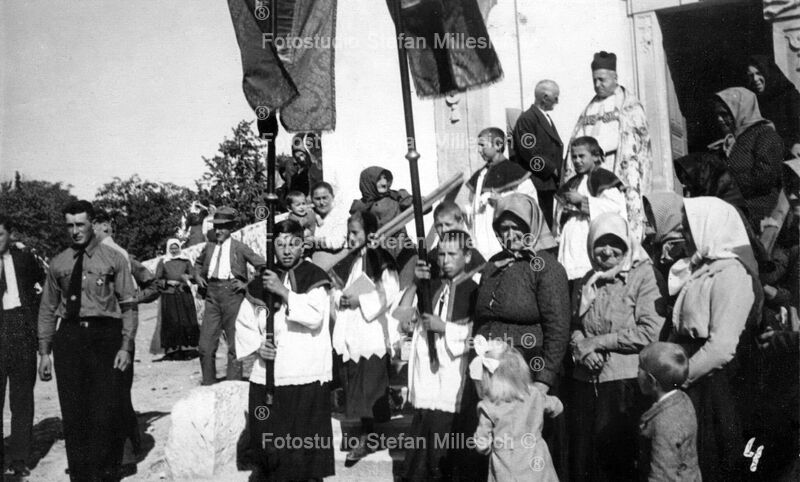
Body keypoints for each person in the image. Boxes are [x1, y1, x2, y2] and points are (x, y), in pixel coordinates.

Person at [37, 200, 136, 480]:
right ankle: (81, 476)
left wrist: (126, 345)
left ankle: (106, 473)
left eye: (80, 224)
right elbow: (47, 308)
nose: (75, 231)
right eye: (70, 225)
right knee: (74, 412)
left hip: (105, 337)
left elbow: (128, 305)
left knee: (105, 410)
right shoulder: (58, 263)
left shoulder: (113, 258)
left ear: (92, 224)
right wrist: (44, 352)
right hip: (69, 338)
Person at [474, 193, 570, 478]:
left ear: (533, 226)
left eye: (518, 226)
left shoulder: (546, 267)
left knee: (530, 458)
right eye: (503, 228)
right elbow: (480, 319)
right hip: (492, 375)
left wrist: (543, 381)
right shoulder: (492, 265)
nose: (511, 234)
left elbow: (558, 327)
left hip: (528, 370)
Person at [667, 196, 760, 481]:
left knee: (711, 458)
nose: (683, 234)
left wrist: (680, 379)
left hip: (710, 382)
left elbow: (721, 347)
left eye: (688, 228)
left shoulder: (731, 273)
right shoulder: (702, 267)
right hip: (690, 374)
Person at [567, 212, 665, 481]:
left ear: (627, 244)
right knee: (586, 462)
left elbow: (650, 332)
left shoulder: (643, 276)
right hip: (585, 382)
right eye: (600, 243)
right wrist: (581, 349)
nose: (607, 251)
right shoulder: (585, 280)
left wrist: (597, 343)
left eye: (615, 243)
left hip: (624, 386)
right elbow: (574, 325)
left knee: (617, 463)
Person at [235, 219, 335, 480]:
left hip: (304, 372)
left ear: (303, 246)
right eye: (280, 244)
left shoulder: (315, 277)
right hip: (269, 373)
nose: (287, 250)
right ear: (272, 247)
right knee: (272, 444)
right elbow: (246, 322)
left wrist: (283, 292)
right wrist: (259, 347)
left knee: (302, 447)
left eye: (293, 244)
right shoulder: (260, 283)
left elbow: (315, 316)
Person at [399, 230, 479, 481]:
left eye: (452, 254)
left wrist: (445, 327)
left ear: (467, 256)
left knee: (444, 456)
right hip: (427, 381)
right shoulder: (431, 286)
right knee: (419, 458)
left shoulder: (475, 290)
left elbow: (478, 337)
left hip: (452, 383)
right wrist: (414, 283)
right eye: (441, 254)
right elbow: (402, 319)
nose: (445, 260)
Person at [330, 211, 400, 465]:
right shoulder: (350, 260)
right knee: (357, 384)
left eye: (355, 233)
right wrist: (342, 298)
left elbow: (390, 291)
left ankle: (369, 437)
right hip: (353, 329)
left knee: (370, 386)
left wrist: (361, 300)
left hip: (371, 332)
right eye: (349, 233)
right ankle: (367, 431)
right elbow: (337, 291)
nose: (350, 238)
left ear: (369, 234)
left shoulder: (379, 258)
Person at [563, 51, 653, 242]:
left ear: (615, 77)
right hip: (589, 174)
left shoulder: (629, 106)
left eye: (602, 80)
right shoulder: (589, 108)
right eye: (594, 80)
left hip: (615, 169)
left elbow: (637, 142)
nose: (597, 85)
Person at [472, 337, 563, 482]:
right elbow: (557, 406)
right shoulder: (533, 394)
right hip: (536, 460)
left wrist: (488, 447)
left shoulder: (488, 406)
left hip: (506, 465)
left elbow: (481, 444)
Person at [194, 206, 266, 385]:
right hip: (211, 295)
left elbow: (262, 265)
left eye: (223, 227)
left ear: (231, 227)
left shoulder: (239, 247)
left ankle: (232, 386)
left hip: (233, 296)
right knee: (205, 346)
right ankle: (208, 386)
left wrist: (246, 284)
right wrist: (197, 276)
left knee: (235, 345)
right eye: (216, 227)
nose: (218, 231)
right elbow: (197, 263)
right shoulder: (209, 246)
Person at [0, 216, 44, 478]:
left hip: (20, 329)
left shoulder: (25, 259)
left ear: (10, 235)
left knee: (22, 398)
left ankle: (19, 458)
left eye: (0, 234)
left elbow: (44, 284)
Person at [556, 136, 627, 283]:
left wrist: (582, 201)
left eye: (582, 156)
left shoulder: (604, 178)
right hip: (571, 237)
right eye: (574, 157)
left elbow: (614, 208)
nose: (577, 160)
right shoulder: (572, 182)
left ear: (595, 157)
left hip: (588, 234)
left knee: (586, 278)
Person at [712, 87, 784, 229]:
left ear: (741, 110)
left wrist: (725, 184)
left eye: (725, 114)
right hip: (733, 211)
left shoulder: (765, 135)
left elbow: (765, 177)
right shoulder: (730, 143)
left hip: (758, 211)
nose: (719, 120)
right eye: (717, 115)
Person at [466, 127, 539, 260]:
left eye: (482, 145)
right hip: (481, 239)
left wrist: (502, 202)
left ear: (498, 145)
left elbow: (531, 205)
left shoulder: (516, 173)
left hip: (505, 238)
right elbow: (472, 208)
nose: (479, 150)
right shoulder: (480, 176)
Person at [637, 342, 700, 482]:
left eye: (640, 368)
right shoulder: (683, 399)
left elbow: (661, 475)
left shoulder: (663, 423)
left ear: (652, 381)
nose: (636, 373)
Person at [349, 166, 416, 286]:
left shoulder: (396, 197)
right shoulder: (361, 206)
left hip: (402, 247)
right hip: (378, 253)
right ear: (369, 182)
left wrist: (418, 201)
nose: (383, 182)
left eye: (385, 178)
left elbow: (418, 206)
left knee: (404, 288)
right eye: (378, 179)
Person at [512, 79, 564, 228]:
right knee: (540, 225)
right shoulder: (527, 119)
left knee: (548, 223)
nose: (557, 101)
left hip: (548, 183)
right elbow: (529, 152)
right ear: (545, 97)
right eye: (556, 97)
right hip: (538, 183)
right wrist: (551, 169)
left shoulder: (544, 117)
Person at [744, 55, 800, 157]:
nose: (755, 79)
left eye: (759, 73)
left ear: (768, 72)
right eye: (751, 75)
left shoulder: (789, 95)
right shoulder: (754, 101)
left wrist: (797, 143)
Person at [155, 239, 199, 359]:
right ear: (168, 249)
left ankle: (187, 349)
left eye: (176, 247)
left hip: (183, 294)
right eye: (172, 248)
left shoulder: (186, 261)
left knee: (186, 321)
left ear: (179, 248)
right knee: (172, 321)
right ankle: (173, 350)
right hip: (169, 295)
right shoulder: (163, 262)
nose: (174, 250)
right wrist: (167, 282)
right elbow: (157, 279)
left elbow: (194, 276)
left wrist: (187, 278)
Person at [427, 201, 485, 279]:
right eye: (439, 225)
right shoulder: (431, 258)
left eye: (448, 224)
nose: (444, 230)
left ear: (460, 223)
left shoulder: (472, 255)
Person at [309, 182, 349, 270]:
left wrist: (312, 240)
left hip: (335, 265)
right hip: (315, 264)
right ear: (312, 200)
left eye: (325, 198)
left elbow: (336, 243)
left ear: (332, 197)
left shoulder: (340, 215)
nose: (322, 202)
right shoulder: (311, 215)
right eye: (317, 199)